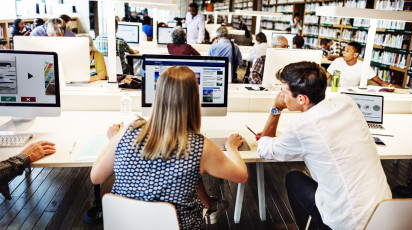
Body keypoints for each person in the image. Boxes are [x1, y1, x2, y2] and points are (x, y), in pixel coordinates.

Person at [90, 66, 248, 229]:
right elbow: (241, 176)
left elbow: (96, 177)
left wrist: (113, 140)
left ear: (157, 95)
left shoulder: (127, 130)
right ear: (194, 99)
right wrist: (231, 147)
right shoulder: (201, 147)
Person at [256, 61, 391, 230]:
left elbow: (264, 149)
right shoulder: (347, 102)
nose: (281, 95)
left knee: (294, 179)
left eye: (283, 92)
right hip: (386, 214)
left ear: (301, 99)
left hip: (348, 224)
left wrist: (276, 108)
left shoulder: (302, 125)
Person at [327, 42, 394, 87]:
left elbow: (380, 82)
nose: (343, 53)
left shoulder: (363, 66)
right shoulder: (338, 61)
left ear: (355, 54)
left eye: (347, 51)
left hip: (351, 95)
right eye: (344, 50)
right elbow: (325, 77)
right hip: (335, 92)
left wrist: (390, 87)